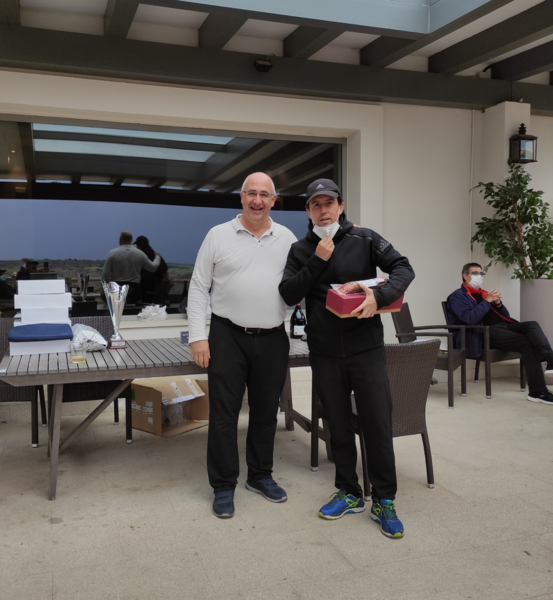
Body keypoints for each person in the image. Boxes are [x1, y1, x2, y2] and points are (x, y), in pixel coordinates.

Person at [279, 178, 414, 539]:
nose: (323, 210)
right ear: (308, 212)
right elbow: (289, 292)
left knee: (377, 424)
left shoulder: (365, 238)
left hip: (366, 350)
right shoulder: (300, 249)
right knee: (337, 425)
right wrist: (317, 260)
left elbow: (403, 268)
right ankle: (349, 491)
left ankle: (384, 499)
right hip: (324, 353)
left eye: (329, 203)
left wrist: (378, 295)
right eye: (316, 204)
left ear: (340, 206)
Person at [188, 172, 297, 519]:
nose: (257, 200)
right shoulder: (218, 235)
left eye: (265, 194)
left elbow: (302, 282)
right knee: (224, 415)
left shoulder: (287, 238)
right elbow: (198, 286)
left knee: (266, 413)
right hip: (227, 335)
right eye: (252, 193)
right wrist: (197, 335)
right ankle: (223, 485)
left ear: (274, 200)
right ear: (241, 196)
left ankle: (260, 475)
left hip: (273, 337)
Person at [447, 263, 553, 405]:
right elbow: (469, 319)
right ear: (465, 276)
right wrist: (487, 301)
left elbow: (504, 316)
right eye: (475, 273)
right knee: (526, 342)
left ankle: (551, 361)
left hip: (502, 327)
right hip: (482, 334)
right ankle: (537, 392)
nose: (480, 276)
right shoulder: (457, 297)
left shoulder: (484, 293)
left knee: (532, 325)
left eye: (481, 273)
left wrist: (498, 303)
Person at [101, 231, 161, 304]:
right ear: (131, 240)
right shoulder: (140, 253)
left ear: (120, 239)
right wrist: (157, 257)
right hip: (134, 290)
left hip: (117, 290)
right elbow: (153, 268)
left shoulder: (113, 253)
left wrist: (104, 291)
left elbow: (106, 274)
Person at [133, 235, 170, 305]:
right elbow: (164, 268)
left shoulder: (137, 255)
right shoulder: (155, 254)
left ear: (138, 245)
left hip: (140, 286)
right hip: (156, 286)